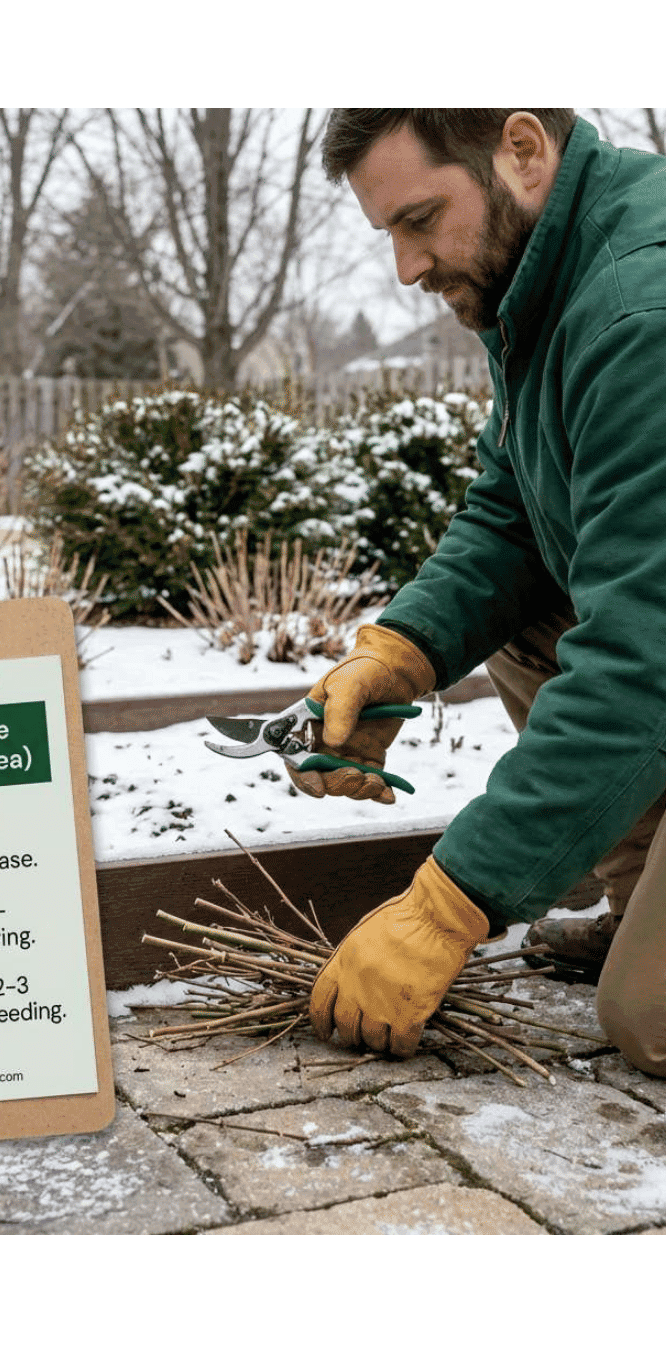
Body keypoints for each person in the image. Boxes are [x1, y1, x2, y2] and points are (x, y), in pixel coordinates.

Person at [296, 108, 666, 1077]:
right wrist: (396, 655)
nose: (407, 268)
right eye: (390, 236)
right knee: (529, 619)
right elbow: (513, 518)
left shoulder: (639, 312)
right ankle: (645, 916)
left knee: (651, 1016)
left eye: (420, 220)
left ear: (524, 151)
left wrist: (447, 908)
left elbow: (641, 663)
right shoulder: (548, 284)